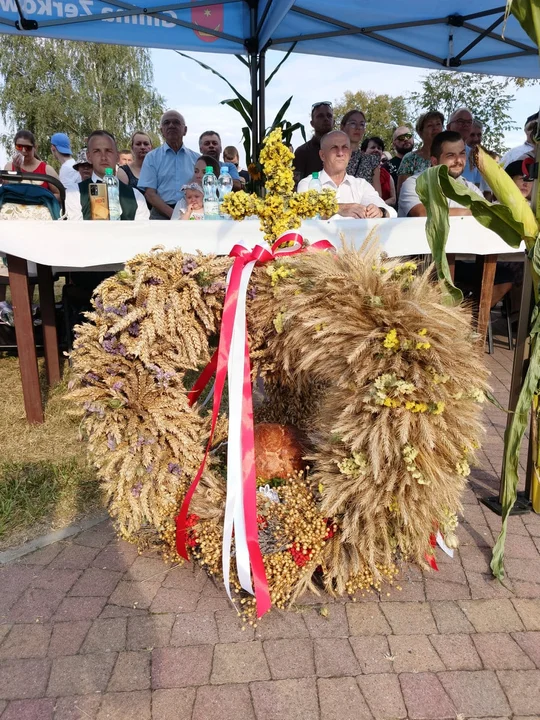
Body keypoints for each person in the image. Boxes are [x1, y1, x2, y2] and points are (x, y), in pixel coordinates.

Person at [398, 129, 512, 308]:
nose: (458, 160)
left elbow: (488, 216)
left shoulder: (470, 189)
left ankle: (463, 322)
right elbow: (421, 213)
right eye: (450, 155)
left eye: (461, 154)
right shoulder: (415, 183)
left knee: (505, 276)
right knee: (445, 262)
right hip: (421, 261)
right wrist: (470, 212)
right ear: (434, 161)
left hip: (464, 258)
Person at [297, 130, 396, 219]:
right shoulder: (308, 183)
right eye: (334, 148)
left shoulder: (361, 185)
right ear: (322, 155)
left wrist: (380, 212)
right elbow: (306, 210)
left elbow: (391, 212)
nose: (340, 153)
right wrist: (340, 208)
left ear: (349, 154)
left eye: (344, 148)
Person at [65, 130, 148, 221]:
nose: (103, 157)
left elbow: (141, 231)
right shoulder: (75, 192)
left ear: (117, 157)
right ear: (89, 157)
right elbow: (77, 230)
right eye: (97, 151)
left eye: (108, 151)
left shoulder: (136, 196)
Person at [138, 110, 199, 220]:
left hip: (192, 213)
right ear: (162, 131)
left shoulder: (197, 159)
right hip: (160, 214)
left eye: (176, 122)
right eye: (166, 123)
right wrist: (174, 215)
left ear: (185, 130)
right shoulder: (151, 157)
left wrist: (187, 215)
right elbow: (150, 194)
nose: (171, 125)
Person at [4, 130, 61, 200]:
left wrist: (42, 199)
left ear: (35, 147)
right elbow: (6, 192)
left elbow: (60, 194)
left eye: (28, 148)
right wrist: (17, 170)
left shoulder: (47, 170)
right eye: (19, 147)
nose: (23, 151)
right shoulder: (9, 167)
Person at [397, 111, 444, 194]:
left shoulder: (448, 156)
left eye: (438, 124)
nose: (435, 128)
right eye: (430, 125)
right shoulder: (410, 159)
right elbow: (402, 192)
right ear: (420, 132)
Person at [340, 109, 381, 194]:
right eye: (353, 123)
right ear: (342, 127)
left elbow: (377, 196)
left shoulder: (372, 161)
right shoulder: (333, 156)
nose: (358, 128)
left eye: (362, 124)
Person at [293, 101, 334, 185]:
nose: (326, 119)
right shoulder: (302, 152)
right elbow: (295, 186)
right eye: (320, 116)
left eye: (329, 116)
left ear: (334, 122)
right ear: (312, 123)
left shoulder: (342, 151)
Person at [447, 107, 481, 185]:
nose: (465, 125)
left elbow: (477, 185)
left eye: (469, 122)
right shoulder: (438, 150)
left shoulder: (475, 155)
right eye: (460, 121)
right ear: (448, 127)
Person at [361, 136, 396, 207]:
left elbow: (393, 199)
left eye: (379, 148)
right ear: (363, 152)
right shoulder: (357, 172)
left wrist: (379, 206)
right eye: (373, 147)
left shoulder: (387, 175)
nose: (376, 150)